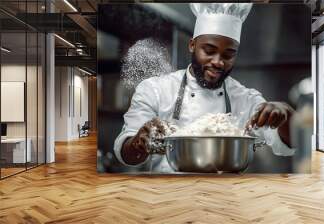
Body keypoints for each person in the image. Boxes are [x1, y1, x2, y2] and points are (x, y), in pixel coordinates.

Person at [114, 3, 295, 167]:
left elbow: (287, 145)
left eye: (228, 55)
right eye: (209, 51)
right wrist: (139, 141)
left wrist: (287, 114)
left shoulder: (247, 99)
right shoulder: (155, 89)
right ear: (192, 45)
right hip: (169, 194)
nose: (218, 62)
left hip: (228, 195)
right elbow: (127, 154)